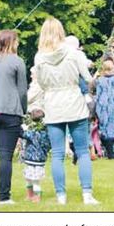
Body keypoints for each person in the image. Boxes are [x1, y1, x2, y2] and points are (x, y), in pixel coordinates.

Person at [27, 18, 98, 206]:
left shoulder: (39, 57)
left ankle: (61, 196)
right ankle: (87, 195)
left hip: (53, 105)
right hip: (74, 103)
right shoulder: (73, 53)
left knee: (57, 154)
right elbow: (87, 77)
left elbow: (41, 84)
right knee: (82, 152)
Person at [0, 28, 26, 206]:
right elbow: (22, 92)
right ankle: (4, 197)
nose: (18, 43)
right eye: (17, 40)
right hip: (10, 113)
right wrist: (24, 111)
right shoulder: (17, 61)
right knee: (5, 156)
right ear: (11, 42)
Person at [19, 112, 50, 203]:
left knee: (32, 180)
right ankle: (31, 196)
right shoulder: (46, 133)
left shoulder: (32, 133)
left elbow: (22, 134)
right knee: (33, 179)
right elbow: (48, 145)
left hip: (30, 159)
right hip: (40, 159)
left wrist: (23, 126)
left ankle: (35, 197)